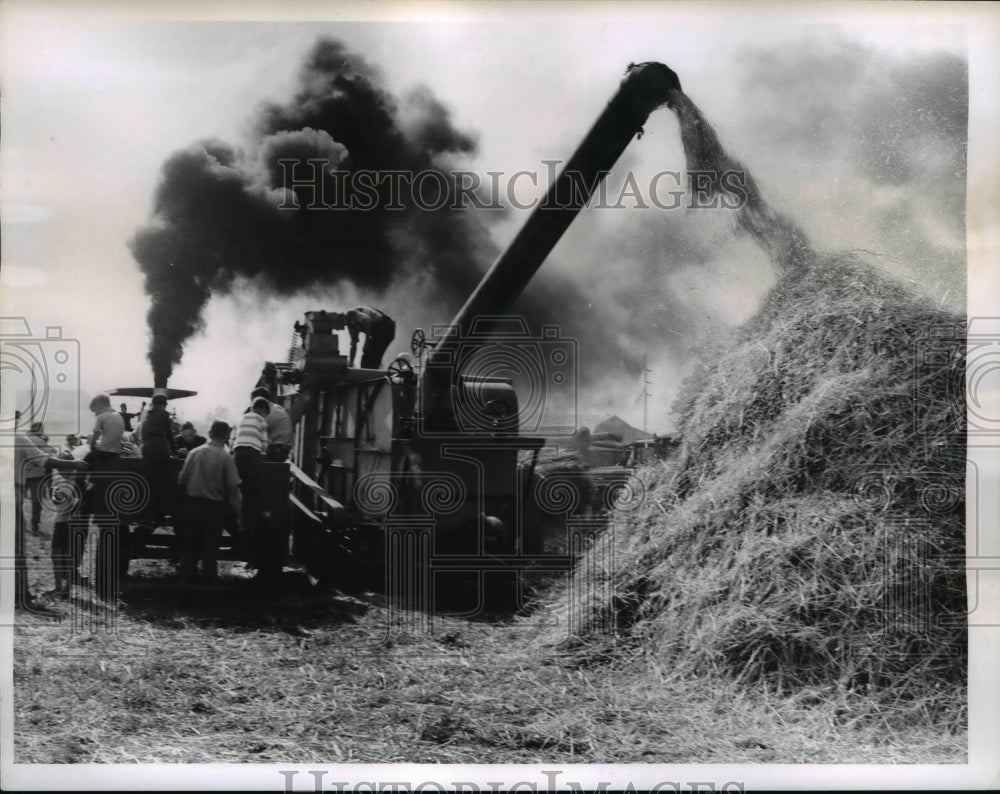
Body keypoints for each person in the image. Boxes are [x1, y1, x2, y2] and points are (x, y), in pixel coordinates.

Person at [13, 433, 88, 609]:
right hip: (12, 499)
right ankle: (18, 592)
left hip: (62, 522)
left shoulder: (67, 484)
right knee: (16, 548)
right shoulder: (17, 439)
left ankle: (60, 588)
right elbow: (45, 461)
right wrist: (74, 464)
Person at [177, 420, 242, 605]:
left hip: (192, 507)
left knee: (188, 552)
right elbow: (234, 491)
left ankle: (183, 597)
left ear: (210, 433)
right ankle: (207, 600)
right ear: (226, 436)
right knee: (209, 555)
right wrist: (239, 516)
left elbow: (181, 480)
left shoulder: (193, 453)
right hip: (213, 510)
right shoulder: (225, 457)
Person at [86, 393, 128, 603]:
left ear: (100, 405)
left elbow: (94, 440)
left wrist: (92, 447)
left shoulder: (101, 417)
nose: (94, 413)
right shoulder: (119, 416)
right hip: (115, 455)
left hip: (103, 454)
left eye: (94, 409)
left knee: (85, 460)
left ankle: (83, 496)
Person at [232, 397, 271, 577]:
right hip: (253, 453)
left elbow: (232, 438)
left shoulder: (240, 418)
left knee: (241, 485)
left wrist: (234, 452)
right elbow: (264, 442)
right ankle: (262, 509)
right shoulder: (262, 421)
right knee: (256, 484)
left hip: (238, 452)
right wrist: (262, 457)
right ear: (262, 410)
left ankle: (240, 512)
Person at [139, 394, 176, 525]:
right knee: (164, 482)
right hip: (160, 448)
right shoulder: (164, 415)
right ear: (163, 405)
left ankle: (146, 515)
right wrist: (174, 451)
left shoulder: (147, 416)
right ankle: (164, 513)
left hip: (147, 449)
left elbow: (142, 436)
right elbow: (170, 435)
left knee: (148, 482)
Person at [250, 388, 293, 462]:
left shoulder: (270, 411)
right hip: (280, 448)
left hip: (277, 448)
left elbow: (256, 428)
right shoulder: (275, 408)